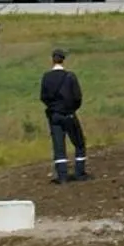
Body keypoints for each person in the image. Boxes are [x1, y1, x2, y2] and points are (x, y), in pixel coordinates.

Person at [39, 48, 89, 184]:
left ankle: (62, 176)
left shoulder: (46, 77)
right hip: (69, 114)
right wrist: (71, 108)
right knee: (79, 143)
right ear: (63, 59)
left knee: (59, 146)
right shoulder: (70, 76)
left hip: (54, 115)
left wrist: (53, 107)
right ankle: (79, 173)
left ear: (52, 60)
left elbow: (43, 97)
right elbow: (77, 97)